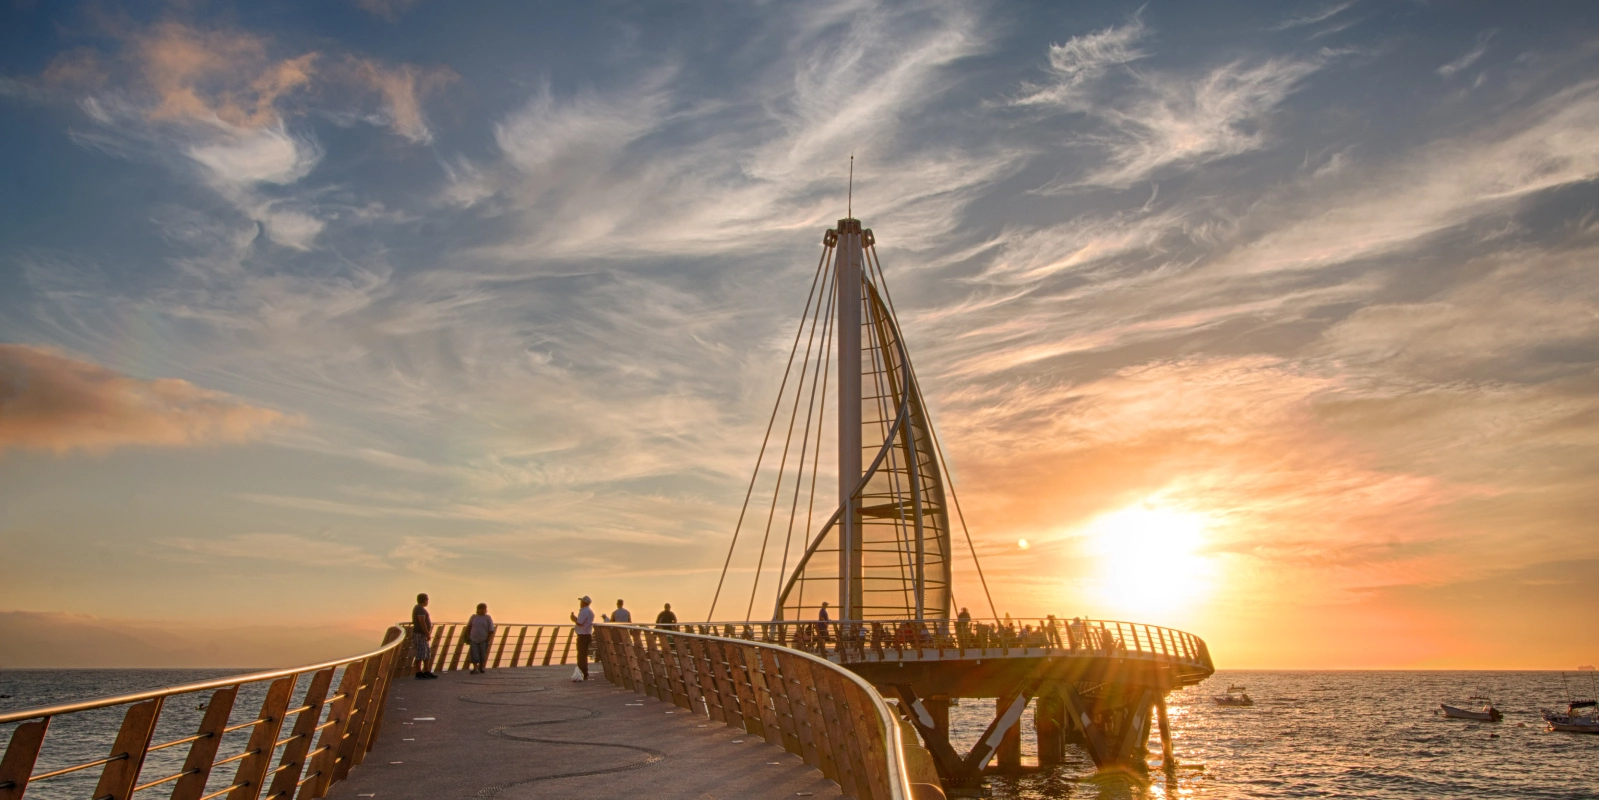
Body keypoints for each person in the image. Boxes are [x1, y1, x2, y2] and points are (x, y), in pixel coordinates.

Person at [411, 593, 437, 679]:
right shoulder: (419, 609)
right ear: (424, 600)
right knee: (421, 652)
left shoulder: (420, 608)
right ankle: (418, 672)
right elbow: (421, 621)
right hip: (420, 634)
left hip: (422, 634)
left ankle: (426, 671)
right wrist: (427, 633)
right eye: (427, 599)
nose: (428, 601)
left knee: (427, 653)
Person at [570, 596, 595, 681]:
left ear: (584, 603)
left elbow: (580, 623)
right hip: (587, 634)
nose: (580, 603)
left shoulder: (584, 611)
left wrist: (573, 619)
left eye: (581, 602)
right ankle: (583, 672)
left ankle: (583, 673)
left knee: (581, 655)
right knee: (583, 654)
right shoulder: (590, 611)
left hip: (583, 636)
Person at [466, 603, 495, 674]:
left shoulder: (488, 617)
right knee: (474, 653)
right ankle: (475, 668)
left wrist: (488, 638)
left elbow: (491, 629)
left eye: (484, 609)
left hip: (484, 638)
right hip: (473, 638)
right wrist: (468, 635)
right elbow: (469, 626)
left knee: (482, 653)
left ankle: (481, 667)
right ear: (478, 610)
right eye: (481, 609)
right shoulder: (473, 617)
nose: (483, 610)